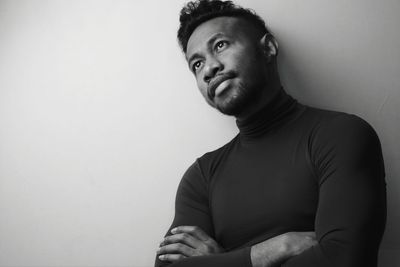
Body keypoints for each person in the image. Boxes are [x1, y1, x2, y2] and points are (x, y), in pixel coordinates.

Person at [154, 0, 386, 266]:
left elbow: (343, 260)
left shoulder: (340, 135)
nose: (209, 69)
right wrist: (268, 251)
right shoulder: (202, 176)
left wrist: (221, 262)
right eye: (196, 64)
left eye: (220, 45)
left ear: (268, 48)